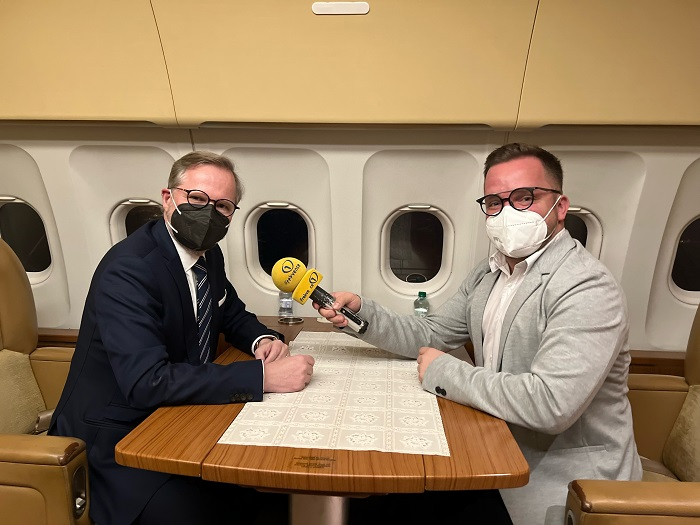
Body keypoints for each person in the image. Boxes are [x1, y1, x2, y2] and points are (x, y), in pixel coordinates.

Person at [315, 143, 642, 525]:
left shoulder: (587, 287)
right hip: (495, 447)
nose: (508, 212)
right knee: (376, 504)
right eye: (494, 202)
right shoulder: (489, 273)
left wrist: (444, 372)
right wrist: (361, 314)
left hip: (562, 483)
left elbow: (550, 404)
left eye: (525, 197)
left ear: (560, 207)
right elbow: (431, 332)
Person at [49, 151, 315, 525]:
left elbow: (231, 312)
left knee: (259, 491)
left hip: (178, 417)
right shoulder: (129, 270)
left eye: (222, 206)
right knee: (203, 510)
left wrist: (263, 340)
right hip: (116, 438)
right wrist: (262, 377)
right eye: (197, 198)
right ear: (167, 198)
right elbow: (146, 382)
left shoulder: (209, 256)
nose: (209, 212)